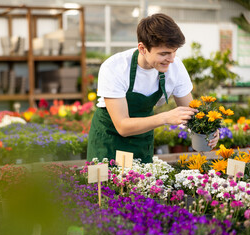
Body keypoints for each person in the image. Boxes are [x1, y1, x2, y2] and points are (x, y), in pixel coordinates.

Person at [87, 13, 219, 163]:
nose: (171, 59)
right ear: (142, 48)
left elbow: (192, 111)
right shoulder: (115, 67)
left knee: (143, 183)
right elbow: (122, 126)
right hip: (109, 141)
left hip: (142, 140)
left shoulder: (175, 67)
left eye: (174, 51)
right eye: (164, 53)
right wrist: (166, 118)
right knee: (107, 185)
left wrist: (207, 129)